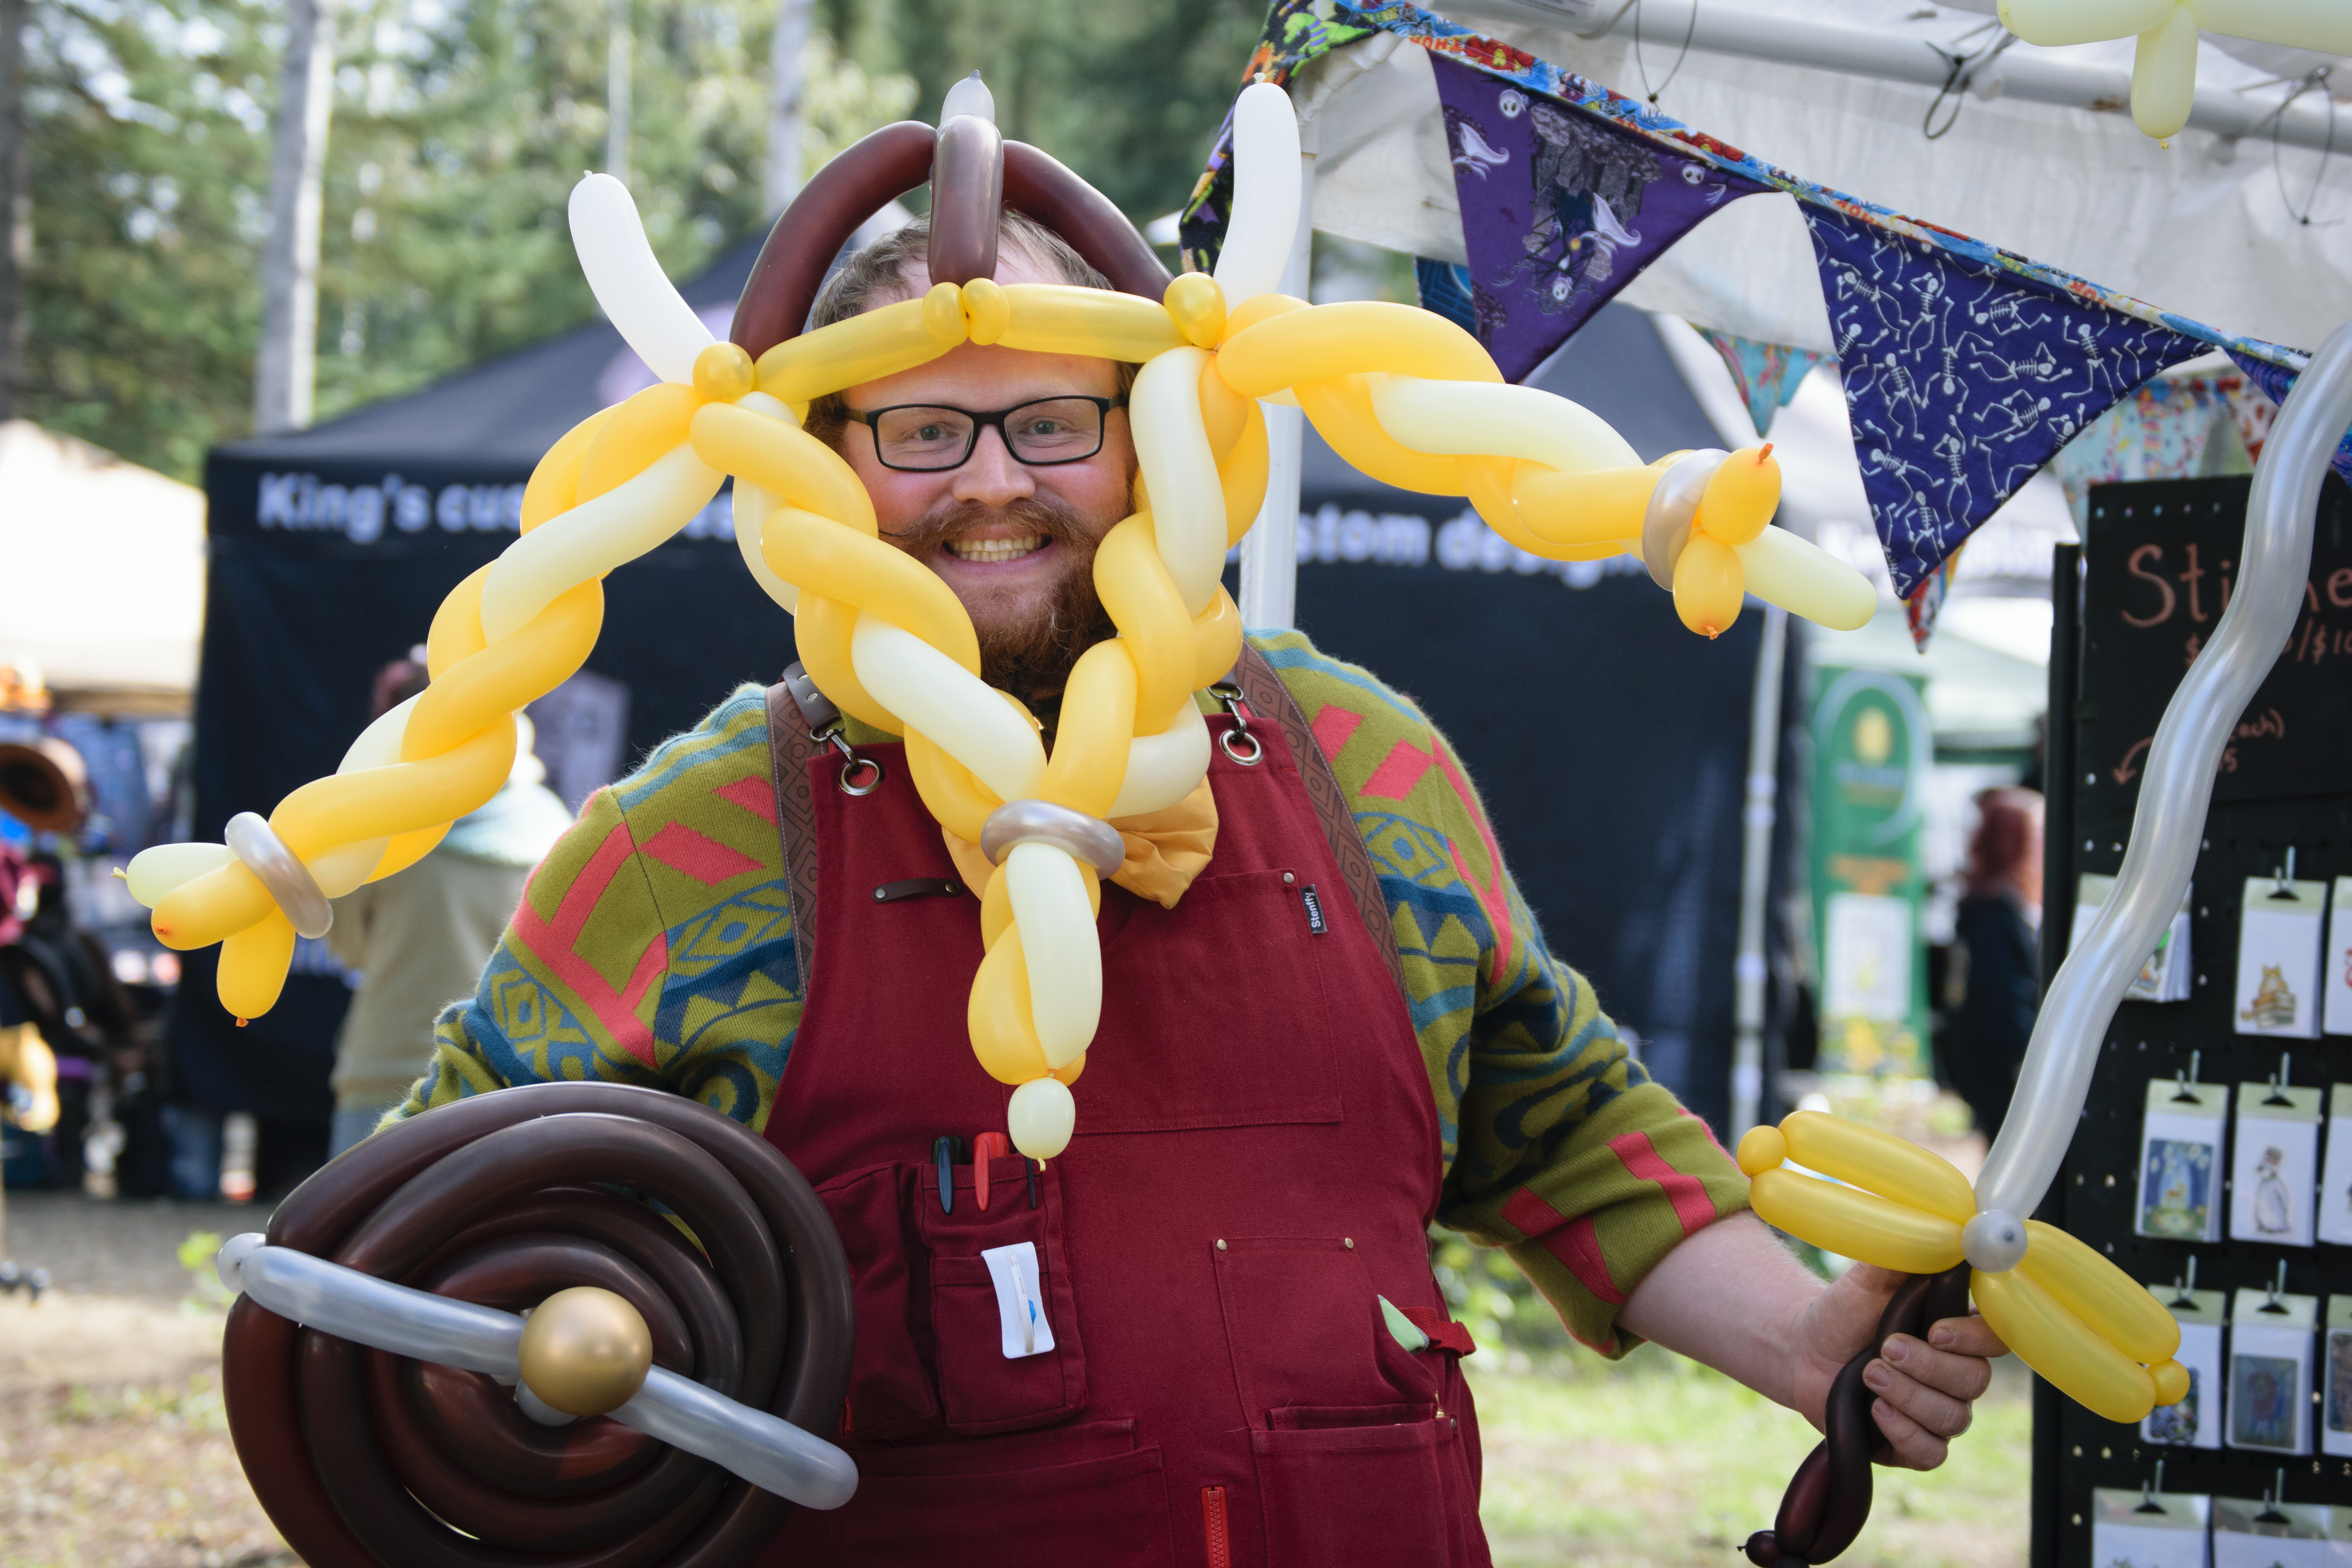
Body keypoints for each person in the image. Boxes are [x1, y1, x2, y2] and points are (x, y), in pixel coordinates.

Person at [391, 211, 2003, 1563]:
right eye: (921, 430)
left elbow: (1557, 1128)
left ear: (1150, 432)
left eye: (1054, 420)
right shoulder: (687, 843)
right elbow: (435, 1260)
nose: (994, 483)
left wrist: (1802, 1343)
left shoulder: (1359, 758)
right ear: (820, 463)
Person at [325, 659, 572, 1155]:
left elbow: (346, 946)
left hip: (385, 1072)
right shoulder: (557, 823)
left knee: (356, 1231)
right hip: (505, 1078)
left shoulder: (376, 822)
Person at [1944, 787, 2043, 1140]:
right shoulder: (1997, 914)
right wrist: (2020, 1059)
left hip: (1986, 1064)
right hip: (2004, 1070)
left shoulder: (1982, 907)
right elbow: (2000, 992)